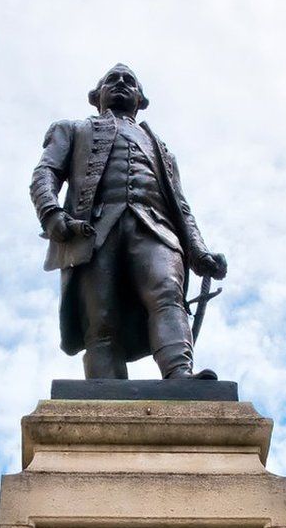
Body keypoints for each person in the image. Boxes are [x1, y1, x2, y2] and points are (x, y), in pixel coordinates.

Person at [30, 64, 228, 379]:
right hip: (93, 231)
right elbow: (46, 173)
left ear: (140, 99)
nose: (121, 83)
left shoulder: (161, 148)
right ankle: (105, 391)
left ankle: (180, 375)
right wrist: (51, 213)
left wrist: (199, 252)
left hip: (155, 230)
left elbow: (180, 206)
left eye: (130, 81)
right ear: (97, 96)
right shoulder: (71, 129)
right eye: (113, 79)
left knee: (167, 294)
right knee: (100, 318)